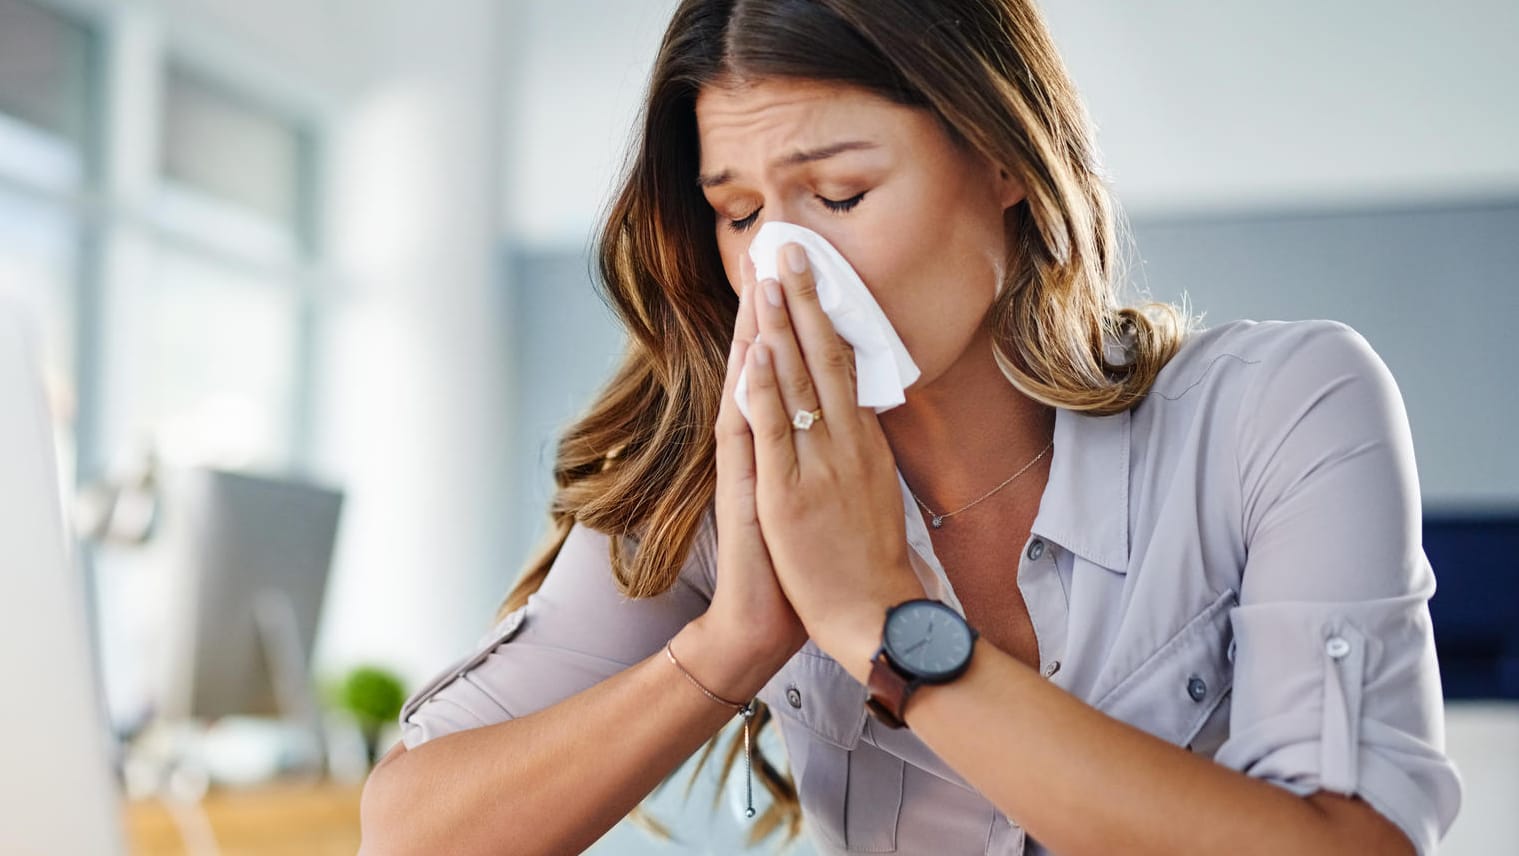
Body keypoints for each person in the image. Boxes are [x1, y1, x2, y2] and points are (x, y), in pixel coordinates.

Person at [357, 1, 1463, 854]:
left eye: (837, 196)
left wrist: (884, 620)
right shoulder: (725, 484)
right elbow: (412, 829)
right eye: (739, 215)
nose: (784, 270)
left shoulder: (1279, 411)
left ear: (1006, 161)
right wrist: (731, 640)